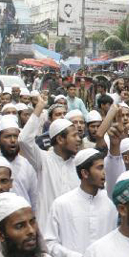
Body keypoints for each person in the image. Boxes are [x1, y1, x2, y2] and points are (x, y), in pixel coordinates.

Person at [45, 148, 117, 257]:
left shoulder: (109, 204)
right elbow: (50, 243)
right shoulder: (62, 204)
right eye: (99, 168)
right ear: (84, 173)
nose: (104, 173)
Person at [18, 94, 80, 228]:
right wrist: (39, 107)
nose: (78, 139)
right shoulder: (43, 160)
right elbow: (24, 140)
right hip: (47, 229)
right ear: (60, 140)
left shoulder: (79, 164)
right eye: (74, 136)